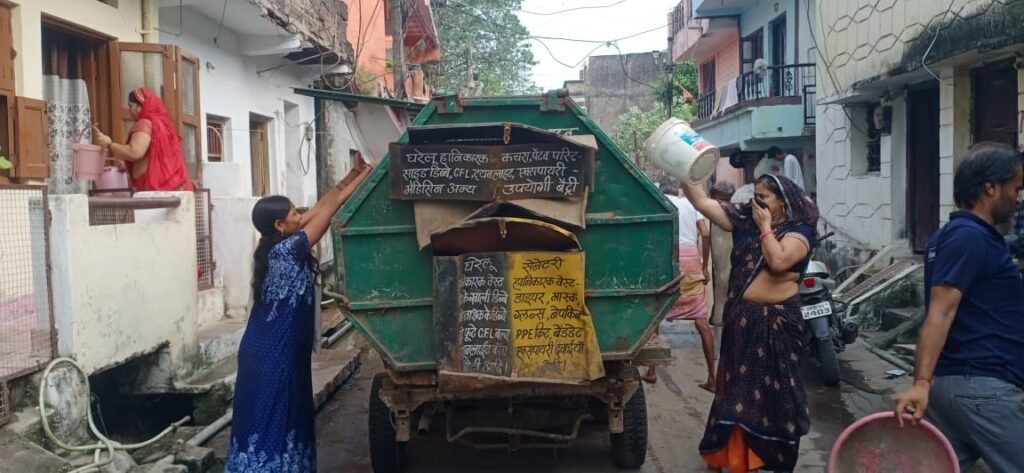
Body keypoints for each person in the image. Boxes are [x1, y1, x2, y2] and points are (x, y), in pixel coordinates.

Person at [225, 160, 372, 472]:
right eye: (294, 213)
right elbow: (329, 209)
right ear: (281, 224)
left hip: (271, 350)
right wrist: (370, 176)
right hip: (273, 355)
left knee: (282, 414)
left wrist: (354, 173)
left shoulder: (274, 245)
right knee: (275, 415)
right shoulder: (289, 249)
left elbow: (321, 203)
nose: (300, 214)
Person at [894, 142, 1024, 473]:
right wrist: (921, 382)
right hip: (983, 387)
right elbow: (941, 311)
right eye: (1016, 188)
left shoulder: (956, 235)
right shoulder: (968, 237)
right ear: (990, 188)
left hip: (958, 387)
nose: (1019, 199)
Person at [683, 174, 817, 473]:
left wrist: (766, 228)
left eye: (764, 197)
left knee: (775, 396)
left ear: (782, 201)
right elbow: (703, 202)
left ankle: (767, 460)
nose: (757, 202)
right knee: (735, 394)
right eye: (755, 195)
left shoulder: (800, 231)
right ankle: (733, 458)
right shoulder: (745, 220)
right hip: (743, 324)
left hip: (777, 325)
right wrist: (687, 171)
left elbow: (779, 262)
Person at [644, 181, 716, 391]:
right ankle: (712, 377)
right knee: (701, 320)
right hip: (691, 258)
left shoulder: (660, 202)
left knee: (657, 314)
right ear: (678, 191)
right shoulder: (691, 205)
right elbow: (705, 233)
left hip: (668, 256)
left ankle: (652, 370)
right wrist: (704, 266)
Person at [93, 88, 194, 191]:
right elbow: (155, 157)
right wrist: (127, 166)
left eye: (131, 106)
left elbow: (135, 152)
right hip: (170, 186)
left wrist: (109, 144)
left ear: (140, 106)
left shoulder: (145, 123)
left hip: (153, 187)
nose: (129, 110)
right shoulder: (162, 124)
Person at [708, 181, 735, 327]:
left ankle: (719, 317)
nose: (722, 203)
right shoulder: (704, 211)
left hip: (723, 257)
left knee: (722, 281)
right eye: (720, 199)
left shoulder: (732, 213)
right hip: (706, 257)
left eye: (726, 199)